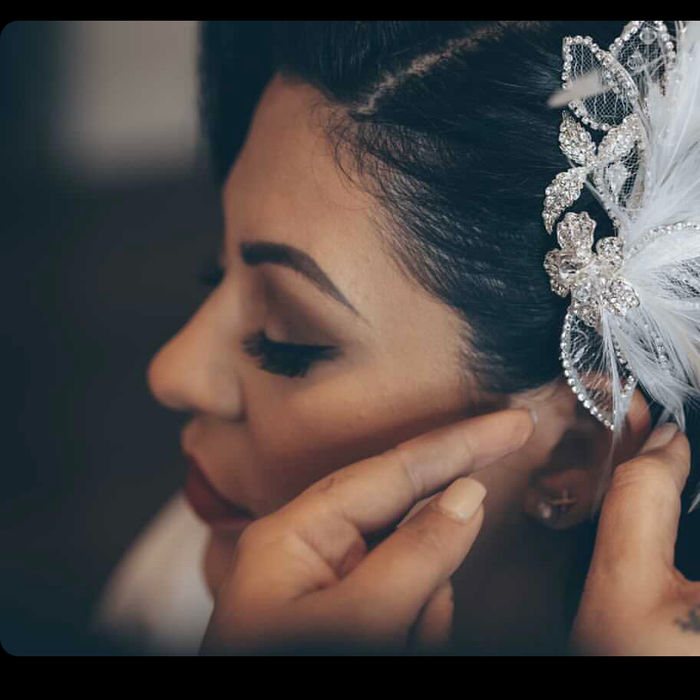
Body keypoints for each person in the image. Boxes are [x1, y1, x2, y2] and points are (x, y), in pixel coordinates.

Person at [94, 20, 700, 655]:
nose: (172, 371)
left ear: (572, 454)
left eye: (286, 342)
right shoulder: (185, 588)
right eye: (214, 272)